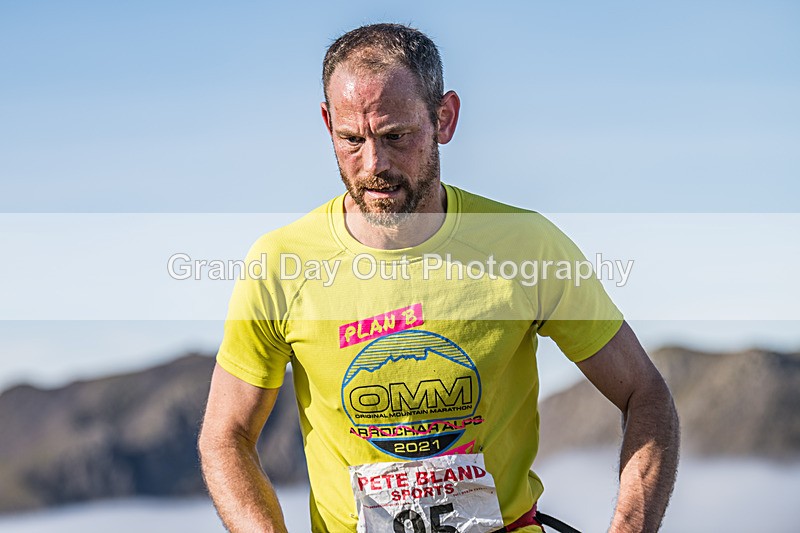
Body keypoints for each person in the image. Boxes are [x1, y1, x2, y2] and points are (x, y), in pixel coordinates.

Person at [198, 23, 679, 533]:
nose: (374, 165)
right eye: (350, 139)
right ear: (327, 123)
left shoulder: (524, 245)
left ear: (443, 118)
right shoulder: (281, 263)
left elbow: (644, 393)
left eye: (396, 137)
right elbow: (225, 435)